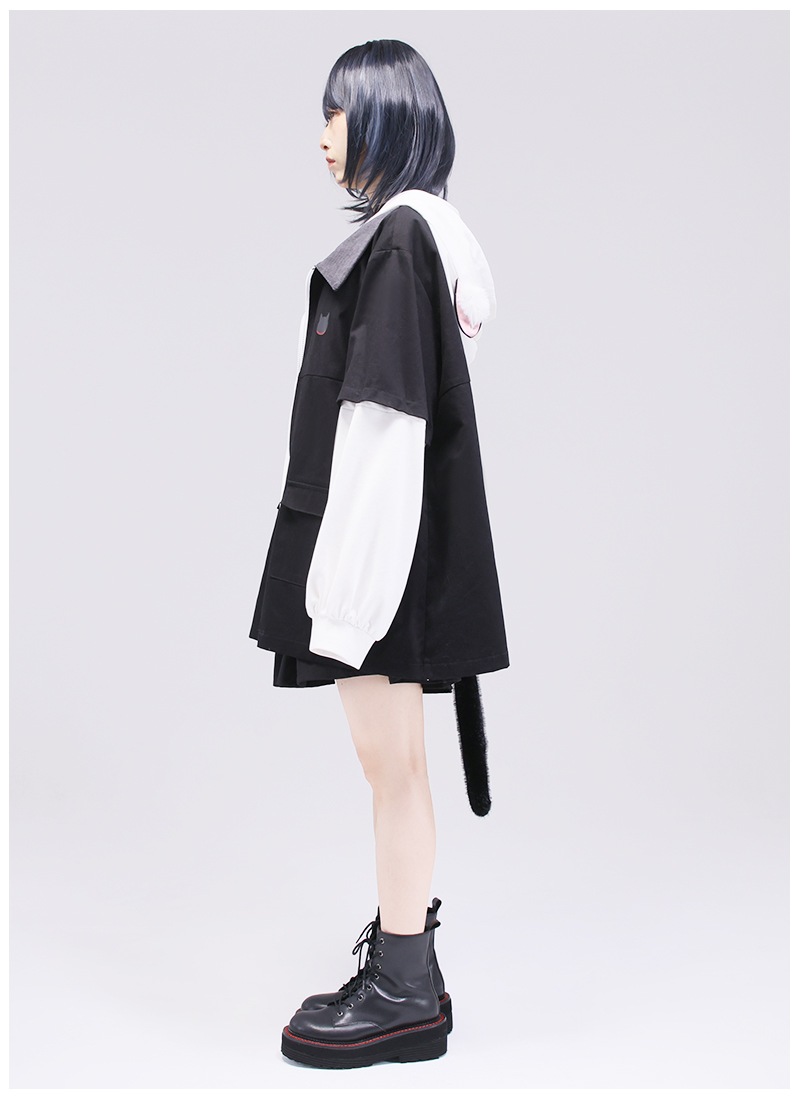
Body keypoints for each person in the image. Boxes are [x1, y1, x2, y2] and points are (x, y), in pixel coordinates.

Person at [248, 39, 510, 1069]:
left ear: (389, 117)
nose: (323, 136)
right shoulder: (417, 238)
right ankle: (409, 969)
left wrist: (345, 597)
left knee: (389, 766)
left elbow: (384, 424)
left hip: (374, 556)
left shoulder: (399, 242)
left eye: (338, 113)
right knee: (394, 766)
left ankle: (404, 986)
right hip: (393, 546)